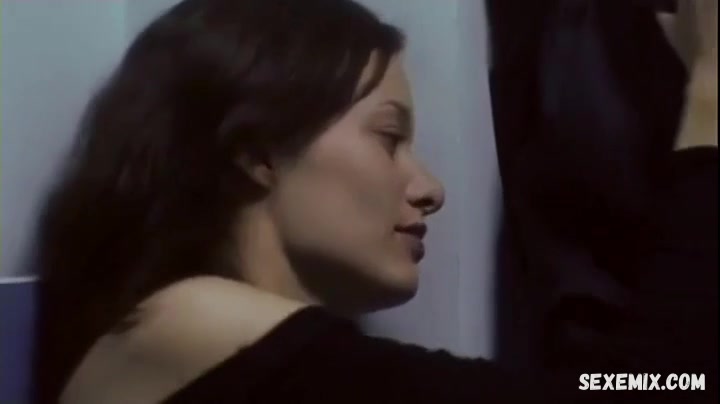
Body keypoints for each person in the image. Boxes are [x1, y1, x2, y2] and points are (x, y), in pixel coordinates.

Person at [32, 0, 716, 403]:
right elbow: (658, 388)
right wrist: (710, 99)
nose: (429, 188)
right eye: (389, 138)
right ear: (258, 152)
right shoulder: (184, 321)